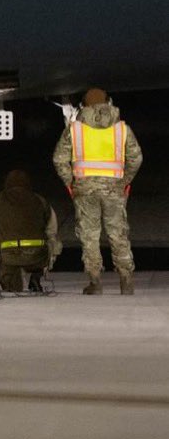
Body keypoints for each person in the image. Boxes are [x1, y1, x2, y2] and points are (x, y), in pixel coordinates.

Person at [52, 88, 143, 295]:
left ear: (82, 106)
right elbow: (136, 158)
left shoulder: (74, 130)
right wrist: (124, 181)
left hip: (84, 189)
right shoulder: (122, 129)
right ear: (109, 102)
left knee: (89, 236)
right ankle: (126, 281)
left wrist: (70, 182)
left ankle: (95, 282)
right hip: (114, 189)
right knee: (118, 234)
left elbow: (59, 158)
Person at [0, 170, 61, 292]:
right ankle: (36, 275)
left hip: (11, 256)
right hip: (37, 256)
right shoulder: (41, 201)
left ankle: (9, 280)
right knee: (53, 243)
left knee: (7, 275)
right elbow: (52, 228)